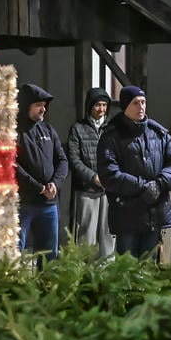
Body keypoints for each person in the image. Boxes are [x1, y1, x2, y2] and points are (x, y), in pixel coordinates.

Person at [97, 86, 171, 257]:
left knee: (149, 265)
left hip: (154, 213)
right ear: (125, 106)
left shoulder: (159, 133)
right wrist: (143, 187)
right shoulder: (111, 136)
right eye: (135, 103)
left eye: (143, 102)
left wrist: (159, 184)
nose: (141, 107)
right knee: (127, 266)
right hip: (127, 213)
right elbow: (109, 173)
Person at [15, 83, 68, 262]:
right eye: (38, 105)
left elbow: (62, 160)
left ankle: (45, 281)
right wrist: (38, 187)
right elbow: (13, 165)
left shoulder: (48, 130)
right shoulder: (14, 132)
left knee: (49, 256)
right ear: (26, 105)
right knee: (16, 253)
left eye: (44, 105)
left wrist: (55, 184)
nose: (43, 109)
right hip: (23, 203)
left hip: (49, 204)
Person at [66, 87, 113, 258]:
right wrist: (93, 177)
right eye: (98, 105)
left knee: (109, 234)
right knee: (87, 234)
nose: (101, 109)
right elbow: (74, 159)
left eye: (104, 105)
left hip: (109, 190)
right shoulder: (78, 129)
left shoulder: (113, 128)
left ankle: (108, 269)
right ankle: (85, 270)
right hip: (87, 189)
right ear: (90, 106)